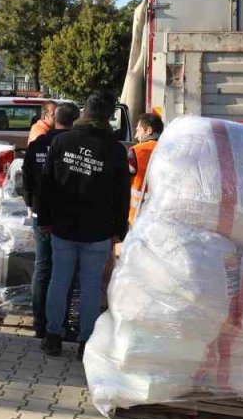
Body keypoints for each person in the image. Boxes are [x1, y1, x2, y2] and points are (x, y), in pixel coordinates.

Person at [35, 91, 131, 359]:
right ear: (110, 116)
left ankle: (53, 337)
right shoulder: (114, 149)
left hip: (63, 227)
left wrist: (44, 219)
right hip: (98, 231)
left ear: (84, 112)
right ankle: (85, 343)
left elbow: (47, 185)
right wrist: (118, 230)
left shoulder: (61, 141)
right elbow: (122, 193)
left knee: (59, 281)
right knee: (90, 286)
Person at [21, 101, 80, 338]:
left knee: (43, 267)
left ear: (54, 118)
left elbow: (25, 177)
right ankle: (60, 323)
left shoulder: (38, 145)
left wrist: (30, 203)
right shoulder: (75, 147)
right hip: (65, 216)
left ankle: (40, 322)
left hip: (39, 213)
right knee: (63, 271)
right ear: (74, 121)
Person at [127, 112, 163, 224]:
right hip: (161, 215)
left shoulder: (136, 151)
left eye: (138, 130)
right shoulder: (170, 150)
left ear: (148, 131)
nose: (136, 136)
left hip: (138, 216)